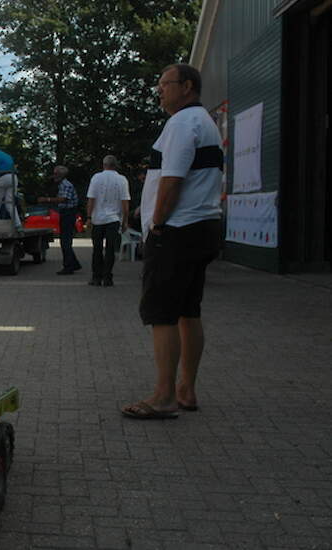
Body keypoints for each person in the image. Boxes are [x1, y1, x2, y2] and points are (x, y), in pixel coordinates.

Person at [121, 63, 223, 419]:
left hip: (177, 230)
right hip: (204, 226)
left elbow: (172, 179)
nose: (160, 90)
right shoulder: (206, 122)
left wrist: (158, 223)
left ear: (188, 86)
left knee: (162, 312)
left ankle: (164, 395)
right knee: (188, 310)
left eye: (166, 84)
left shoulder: (181, 124)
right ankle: (186, 389)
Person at [86, 155, 130, 286]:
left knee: (97, 248)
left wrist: (88, 217)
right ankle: (107, 277)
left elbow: (91, 199)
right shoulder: (122, 180)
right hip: (114, 219)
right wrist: (125, 221)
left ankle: (96, 277)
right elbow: (125, 203)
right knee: (110, 249)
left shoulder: (96, 178)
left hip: (97, 219)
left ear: (103, 165)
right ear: (115, 165)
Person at [39, 166, 82, 274]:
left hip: (68, 213)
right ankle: (74, 263)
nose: (54, 176)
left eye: (55, 173)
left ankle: (68, 267)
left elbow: (64, 199)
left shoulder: (65, 185)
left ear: (60, 175)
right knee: (65, 240)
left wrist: (47, 199)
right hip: (66, 212)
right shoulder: (62, 184)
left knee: (65, 241)